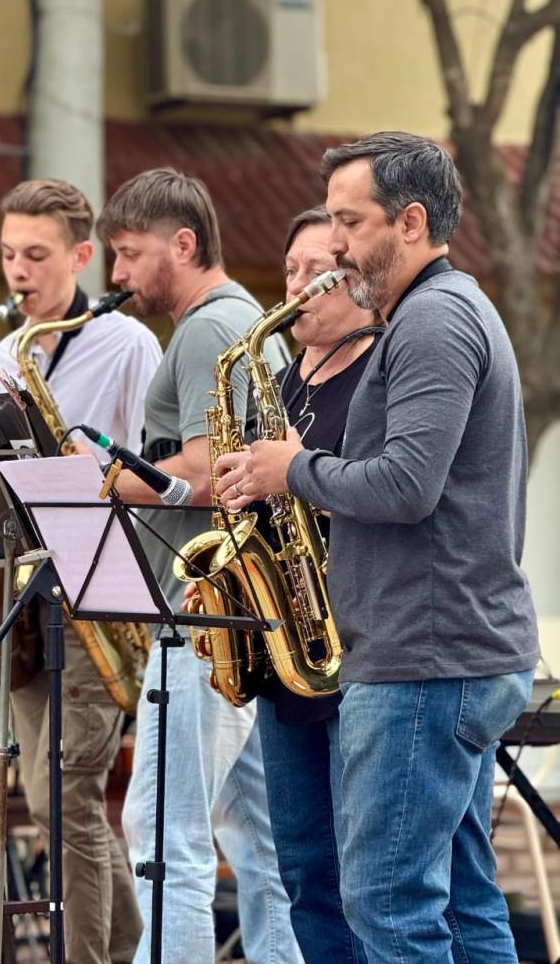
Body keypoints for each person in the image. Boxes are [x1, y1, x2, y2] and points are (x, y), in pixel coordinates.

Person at [219, 132, 539, 964]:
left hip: (424, 658)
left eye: (350, 222)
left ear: (411, 222)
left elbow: (405, 486)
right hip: (441, 652)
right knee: (458, 905)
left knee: (388, 907)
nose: (335, 246)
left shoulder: (433, 320)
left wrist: (293, 468)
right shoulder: (440, 311)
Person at [96, 166, 302, 964]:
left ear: (182, 244)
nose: (117, 273)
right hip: (233, 613)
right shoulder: (236, 320)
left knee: (162, 835)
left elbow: (208, 470)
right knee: (260, 840)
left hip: (201, 610)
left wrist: (99, 478)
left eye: (128, 252)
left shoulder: (210, 329)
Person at [0, 178, 161, 964]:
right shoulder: (6, 353)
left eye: (35, 254)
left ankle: (95, 956)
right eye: (7, 255)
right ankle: (127, 946)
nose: (17, 271)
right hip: (29, 593)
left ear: (81, 256)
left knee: (68, 795)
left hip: (100, 586)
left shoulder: (129, 344)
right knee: (44, 797)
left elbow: (153, 468)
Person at [215, 206, 381, 962]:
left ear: (357, 279)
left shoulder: (381, 371)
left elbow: (390, 495)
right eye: (290, 271)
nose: (298, 286)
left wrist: (297, 474)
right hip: (288, 652)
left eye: (318, 271)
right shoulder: (275, 380)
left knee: (368, 877)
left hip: (360, 647)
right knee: (305, 871)